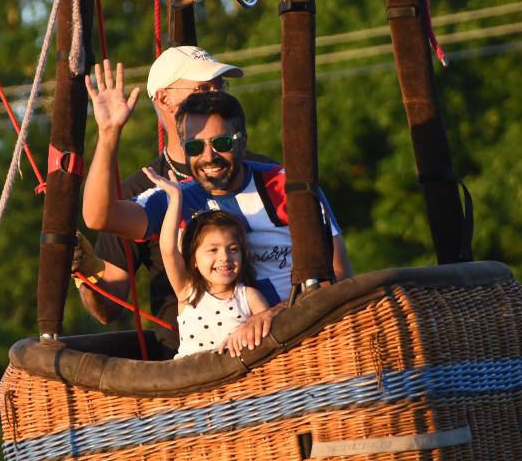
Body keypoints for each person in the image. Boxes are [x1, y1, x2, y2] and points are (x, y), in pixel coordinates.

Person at [82, 60, 351, 352]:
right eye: (195, 148)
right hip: (211, 360)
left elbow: (337, 274)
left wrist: (274, 316)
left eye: (222, 143)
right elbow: (99, 217)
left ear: (243, 141)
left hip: (299, 342)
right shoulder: (175, 197)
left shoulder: (287, 186)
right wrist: (108, 134)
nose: (209, 157)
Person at [72, 47, 274, 356]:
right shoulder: (147, 192)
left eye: (220, 87)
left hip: (270, 343)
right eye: (204, 88)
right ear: (165, 99)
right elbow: (108, 306)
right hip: (189, 360)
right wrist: (86, 268)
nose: (215, 95)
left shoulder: (267, 176)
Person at [142, 165, 269, 358]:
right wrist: (175, 199)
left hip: (239, 381)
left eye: (233, 249)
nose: (224, 257)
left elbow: (267, 329)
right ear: (193, 259)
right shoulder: (188, 292)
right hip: (192, 379)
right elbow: (167, 250)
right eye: (213, 250)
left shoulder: (249, 296)